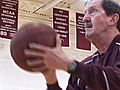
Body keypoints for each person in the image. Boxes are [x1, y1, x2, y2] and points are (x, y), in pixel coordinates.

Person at [24, 0, 120, 89]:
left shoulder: (79, 69)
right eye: (85, 13)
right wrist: (51, 78)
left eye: (93, 11)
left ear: (113, 19)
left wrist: (70, 65)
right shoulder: (84, 66)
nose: (84, 18)